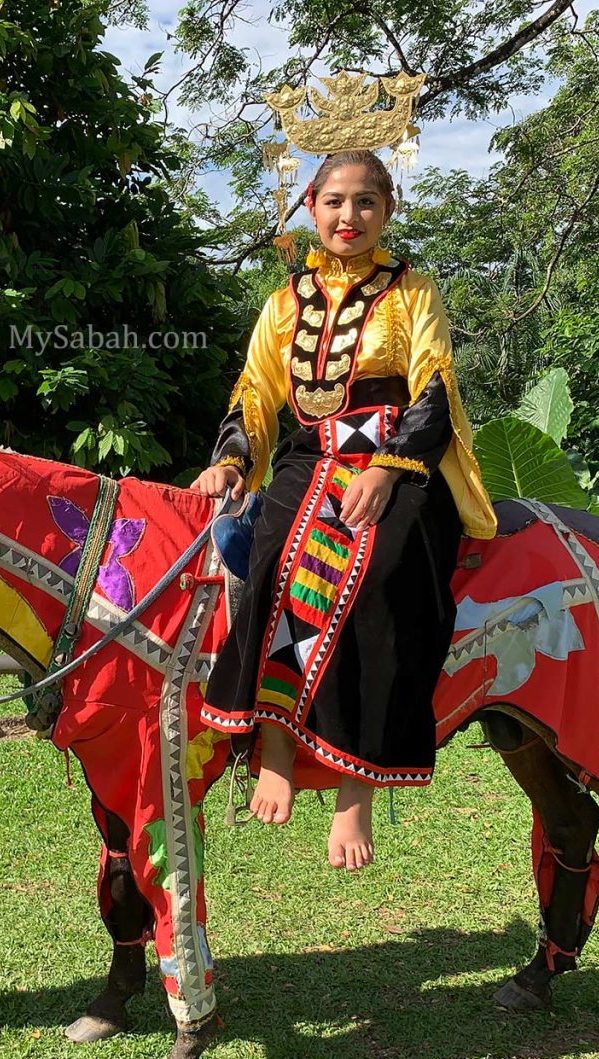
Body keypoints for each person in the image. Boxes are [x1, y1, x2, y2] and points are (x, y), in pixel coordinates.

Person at [196, 150, 497, 871]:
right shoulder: (282, 303)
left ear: (387, 211)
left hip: (399, 464)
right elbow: (255, 392)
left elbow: (434, 386)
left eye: (365, 202)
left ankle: (355, 790)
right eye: (334, 201)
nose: (348, 216)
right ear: (310, 206)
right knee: (269, 558)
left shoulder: (412, 291)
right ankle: (272, 745)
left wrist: (392, 470)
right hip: (309, 460)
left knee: (384, 575)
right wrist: (233, 456)